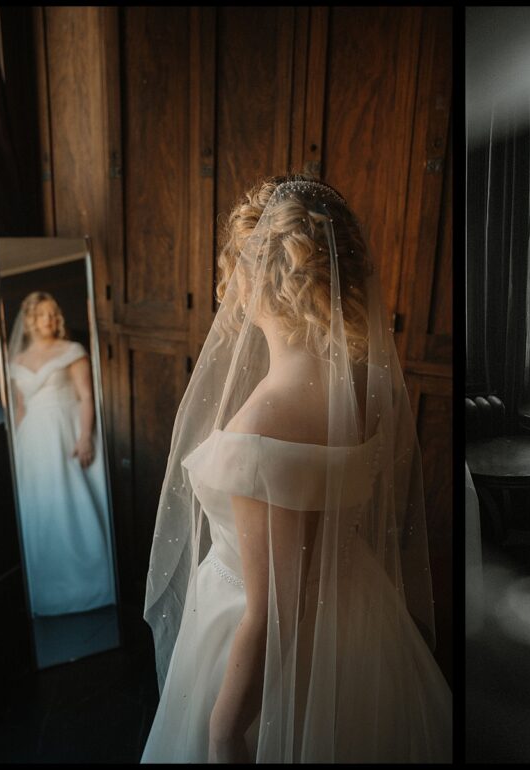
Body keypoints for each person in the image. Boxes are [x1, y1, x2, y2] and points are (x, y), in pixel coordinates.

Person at [141, 175, 452, 763]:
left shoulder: (264, 425)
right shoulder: (363, 388)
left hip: (254, 650)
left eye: (235, 266)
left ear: (266, 280)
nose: (226, 284)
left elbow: (272, 613)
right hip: (359, 617)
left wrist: (225, 730)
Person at [8, 292, 114, 616]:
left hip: (65, 433)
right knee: (44, 509)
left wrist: (85, 438)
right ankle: (49, 590)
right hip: (32, 443)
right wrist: (18, 449)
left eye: (54, 313)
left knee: (73, 503)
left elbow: (85, 397)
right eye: (43, 314)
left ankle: (90, 585)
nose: (51, 319)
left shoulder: (72, 351)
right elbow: (21, 408)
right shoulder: (16, 362)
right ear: (30, 320)